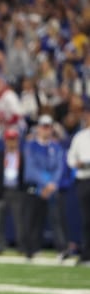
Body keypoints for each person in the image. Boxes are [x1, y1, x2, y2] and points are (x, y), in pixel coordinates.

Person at [21, 114, 64, 260]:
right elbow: (31, 169)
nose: (46, 130)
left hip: (51, 188)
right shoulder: (31, 146)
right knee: (32, 219)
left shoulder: (56, 147)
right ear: (38, 128)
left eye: (49, 127)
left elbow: (59, 167)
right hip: (35, 187)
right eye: (44, 126)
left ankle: (62, 248)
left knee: (57, 219)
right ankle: (31, 249)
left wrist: (52, 184)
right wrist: (46, 183)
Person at [66, 102, 90, 266]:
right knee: (86, 219)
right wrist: (77, 164)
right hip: (82, 179)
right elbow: (70, 158)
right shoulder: (79, 136)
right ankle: (86, 253)